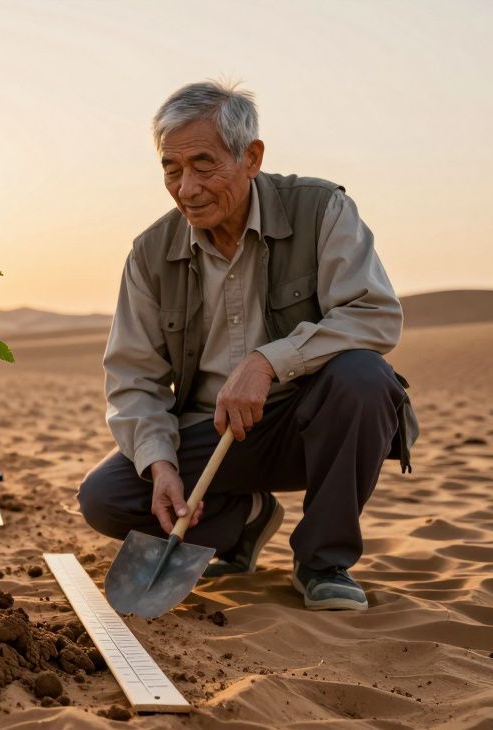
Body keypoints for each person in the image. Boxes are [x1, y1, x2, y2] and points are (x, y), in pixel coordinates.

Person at [78, 81, 417, 611]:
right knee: (106, 498)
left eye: (203, 165)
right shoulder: (149, 254)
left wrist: (268, 361)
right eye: (171, 168)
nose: (186, 188)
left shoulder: (323, 210)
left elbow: (374, 315)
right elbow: (133, 380)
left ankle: (323, 562)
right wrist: (162, 465)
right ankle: (243, 518)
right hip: (210, 436)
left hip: (306, 423)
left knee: (364, 379)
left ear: (252, 157)